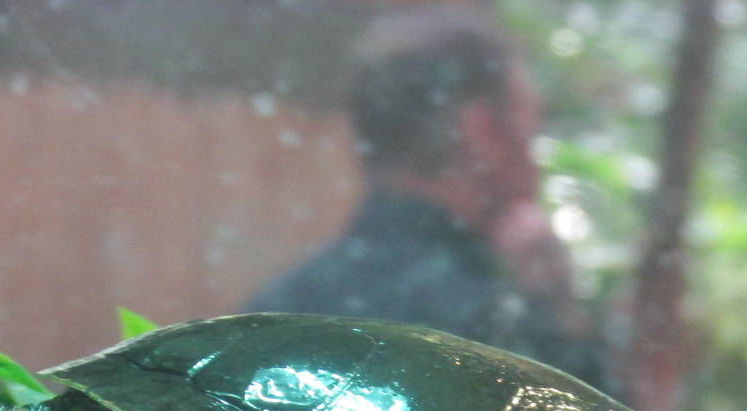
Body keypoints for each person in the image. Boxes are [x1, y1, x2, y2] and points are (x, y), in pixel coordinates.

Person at [243, 4, 606, 390]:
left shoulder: (275, 314)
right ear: (482, 132)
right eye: (532, 130)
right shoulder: (496, 337)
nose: (537, 164)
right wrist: (561, 314)